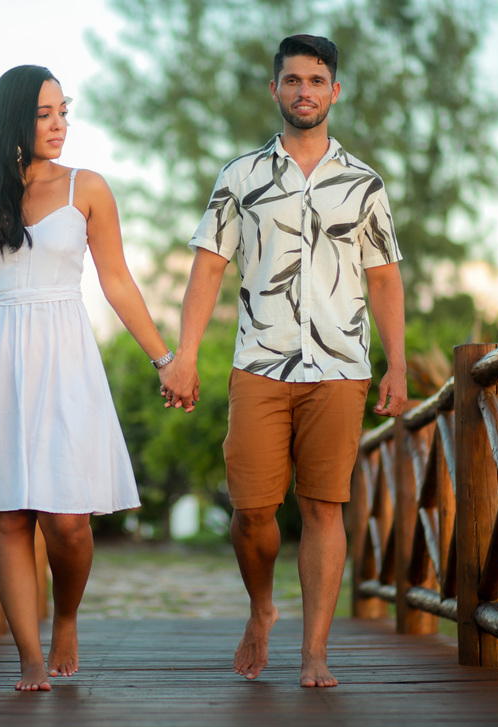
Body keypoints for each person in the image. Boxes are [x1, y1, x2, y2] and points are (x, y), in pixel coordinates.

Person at [160, 35, 408, 688]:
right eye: (292, 80)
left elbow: (383, 278)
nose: (304, 91)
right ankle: (261, 606)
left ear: (336, 90)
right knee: (252, 513)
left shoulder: (364, 185)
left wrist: (398, 364)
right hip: (260, 365)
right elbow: (207, 270)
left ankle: (314, 652)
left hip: (341, 366)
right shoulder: (238, 178)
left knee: (325, 506)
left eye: (317, 80)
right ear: (275, 90)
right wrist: (184, 356)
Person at [0, 65, 174, 692]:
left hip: (63, 355)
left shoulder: (86, 188)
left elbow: (117, 280)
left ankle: (65, 615)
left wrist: (164, 358)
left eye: (63, 112)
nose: (59, 125)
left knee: (68, 521)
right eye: (45, 114)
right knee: (9, 518)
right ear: (13, 119)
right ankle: (30, 658)